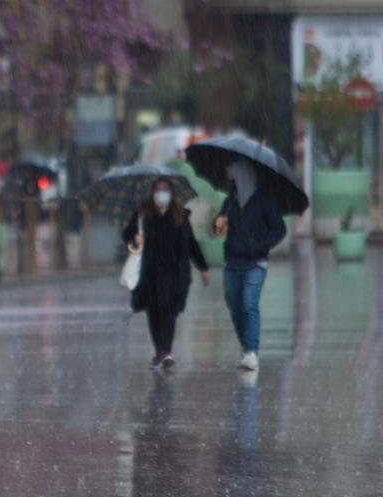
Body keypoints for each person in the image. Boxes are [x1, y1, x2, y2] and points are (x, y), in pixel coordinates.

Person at [122, 179, 210, 369]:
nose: (161, 193)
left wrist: (203, 267)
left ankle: (165, 351)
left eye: (165, 190)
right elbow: (127, 234)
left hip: (174, 273)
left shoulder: (180, 216)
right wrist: (134, 237)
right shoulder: (143, 213)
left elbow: (191, 244)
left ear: (171, 193)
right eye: (158, 190)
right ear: (153, 193)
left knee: (168, 312)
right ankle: (160, 351)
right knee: (154, 313)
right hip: (150, 273)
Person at [214, 159, 286, 372]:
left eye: (234, 174)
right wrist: (218, 223)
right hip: (232, 262)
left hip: (256, 263)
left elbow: (279, 230)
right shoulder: (229, 202)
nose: (231, 178)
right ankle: (246, 347)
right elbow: (218, 228)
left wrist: (260, 246)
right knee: (234, 305)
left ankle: (252, 351)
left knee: (249, 303)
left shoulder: (264, 201)